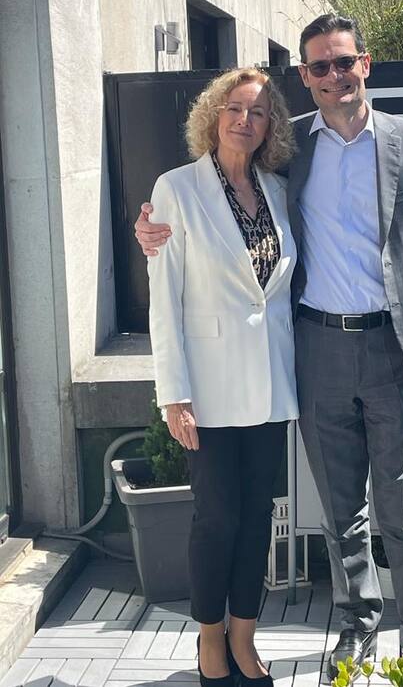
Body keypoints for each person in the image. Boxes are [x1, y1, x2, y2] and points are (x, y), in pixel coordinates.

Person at [136, 14, 403, 676]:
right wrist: (149, 233)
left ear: (365, 65)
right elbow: (204, 216)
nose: (334, 76)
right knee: (342, 511)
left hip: (395, 349)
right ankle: (357, 628)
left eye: (344, 62)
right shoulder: (293, 152)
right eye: (319, 67)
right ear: (306, 79)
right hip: (317, 352)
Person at [146, 67, 298, 687]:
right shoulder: (177, 190)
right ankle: (209, 638)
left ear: (270, 128)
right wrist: (173, 394)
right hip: (205, 390)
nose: (244, 121)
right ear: (214, 115)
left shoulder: (277, 191)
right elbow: (165, 299)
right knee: (216, 518)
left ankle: (244, 636)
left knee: (258, 513)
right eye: (235, 109)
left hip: (268, 385)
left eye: (258, 113)